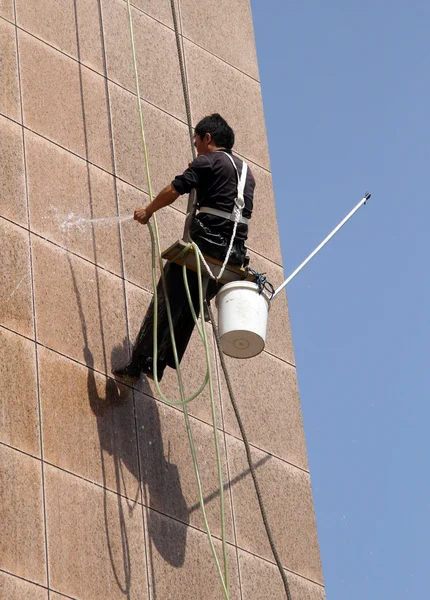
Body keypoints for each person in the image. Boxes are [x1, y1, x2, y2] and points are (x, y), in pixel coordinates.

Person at [113, 114, 255, 384]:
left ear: (208, 138)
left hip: (206, 246)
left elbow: (174, 189)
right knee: (190, 306)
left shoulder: (209, 161)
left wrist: (148, 210)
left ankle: (138, 363)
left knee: (167, 297)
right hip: (233, 256)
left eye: (196, 139)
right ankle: (161, 362)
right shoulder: (248, 174)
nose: (195, 144)